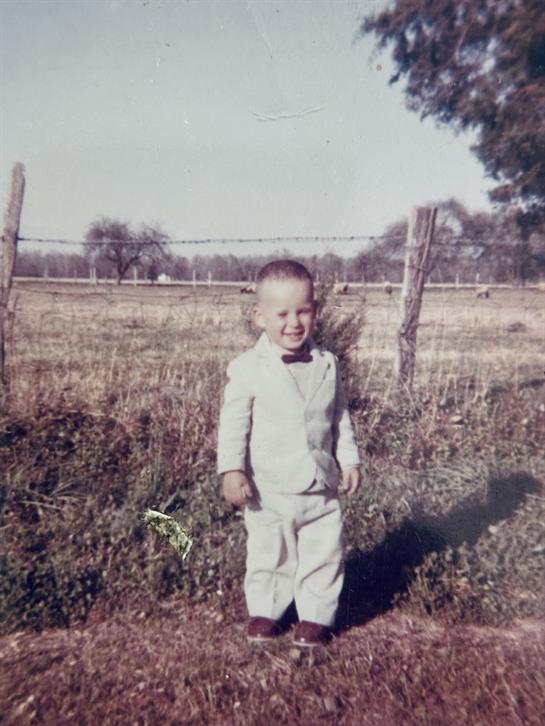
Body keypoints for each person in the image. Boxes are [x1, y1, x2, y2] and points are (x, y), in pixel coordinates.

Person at [217, 259, 361, 647]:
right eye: (282, 314)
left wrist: (349, 459)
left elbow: (340, 415)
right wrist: (232, 470)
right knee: (269, 550)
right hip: (270, 487)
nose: (294, 323)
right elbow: (233, 425)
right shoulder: (247, 367)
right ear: (259, 316)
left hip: (320, 483)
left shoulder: (328, 364)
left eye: (303, 311)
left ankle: (315, 616)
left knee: (323, 551)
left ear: (316, 310)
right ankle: (267, 610)